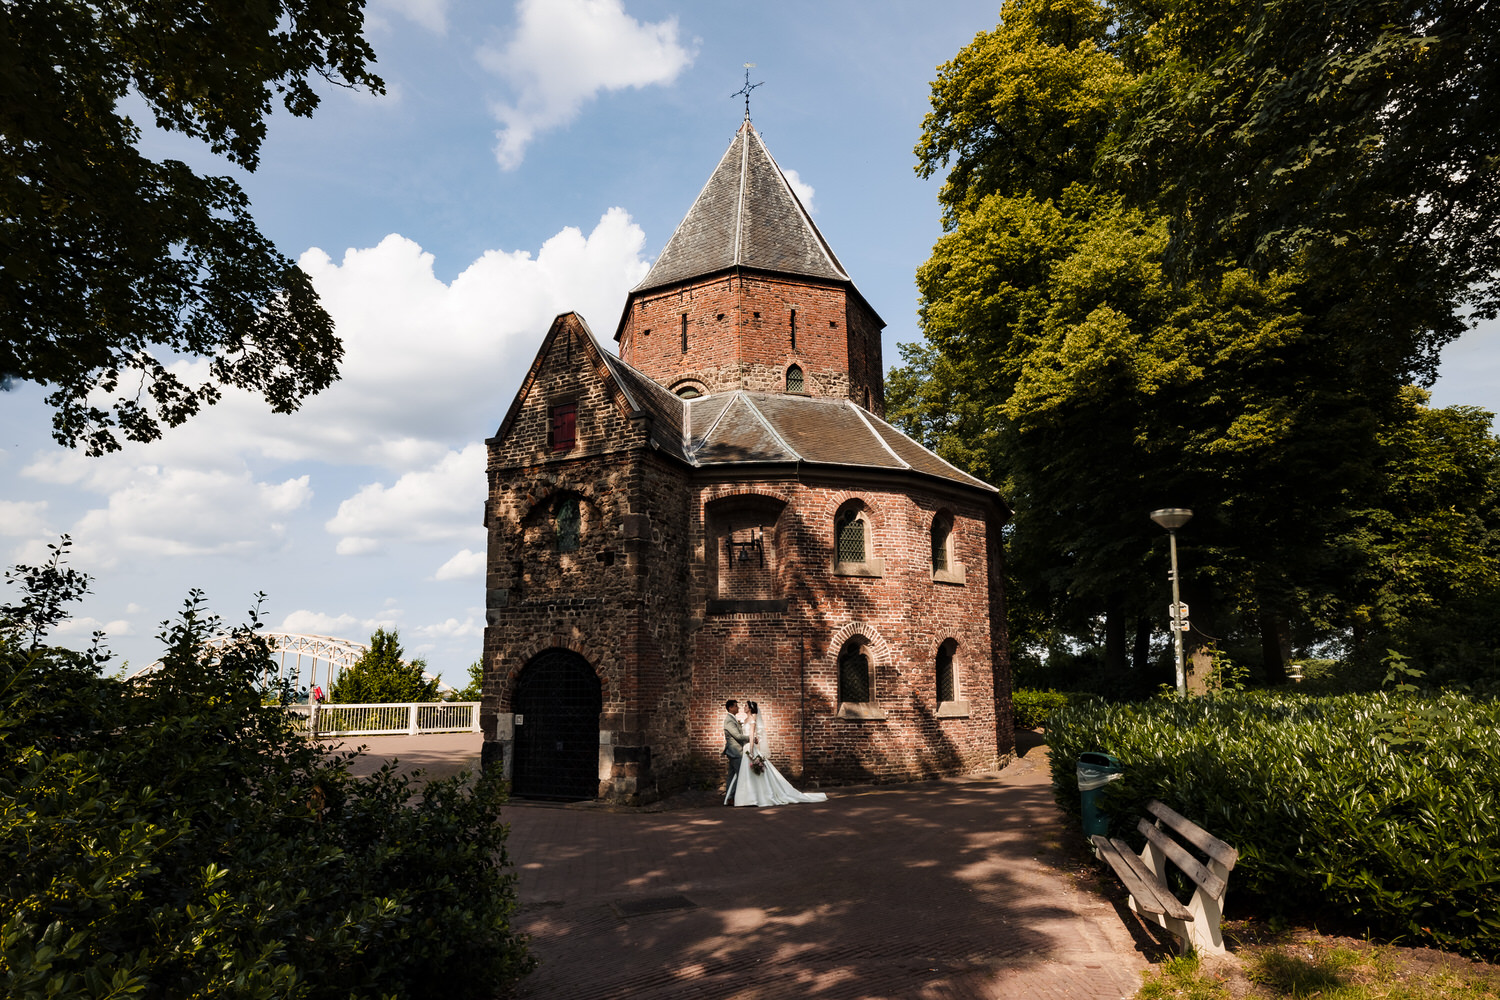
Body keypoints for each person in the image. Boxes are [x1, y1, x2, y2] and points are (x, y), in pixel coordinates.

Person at [733, 700, 828, 807]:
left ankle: (757, 797)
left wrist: (751, 752)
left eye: (745, 706)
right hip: (746, 747)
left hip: (749, 748)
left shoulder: (752, 720)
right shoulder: (745, 720)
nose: (743, 707)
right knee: (748, 774)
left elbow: (751, 736)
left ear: (750, 708)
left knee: (755, 773)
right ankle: (749, 798)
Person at [722, 699, 749, 804]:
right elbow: (737, 736)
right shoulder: (729, 720)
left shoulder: (733, 719)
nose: (738, 708)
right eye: (736, 706)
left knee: (732, 775)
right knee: (739, 774)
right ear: (730, 708)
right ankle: (731, 797)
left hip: (735, 752)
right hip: (735, 752)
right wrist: (750, 738)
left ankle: (729, 797)